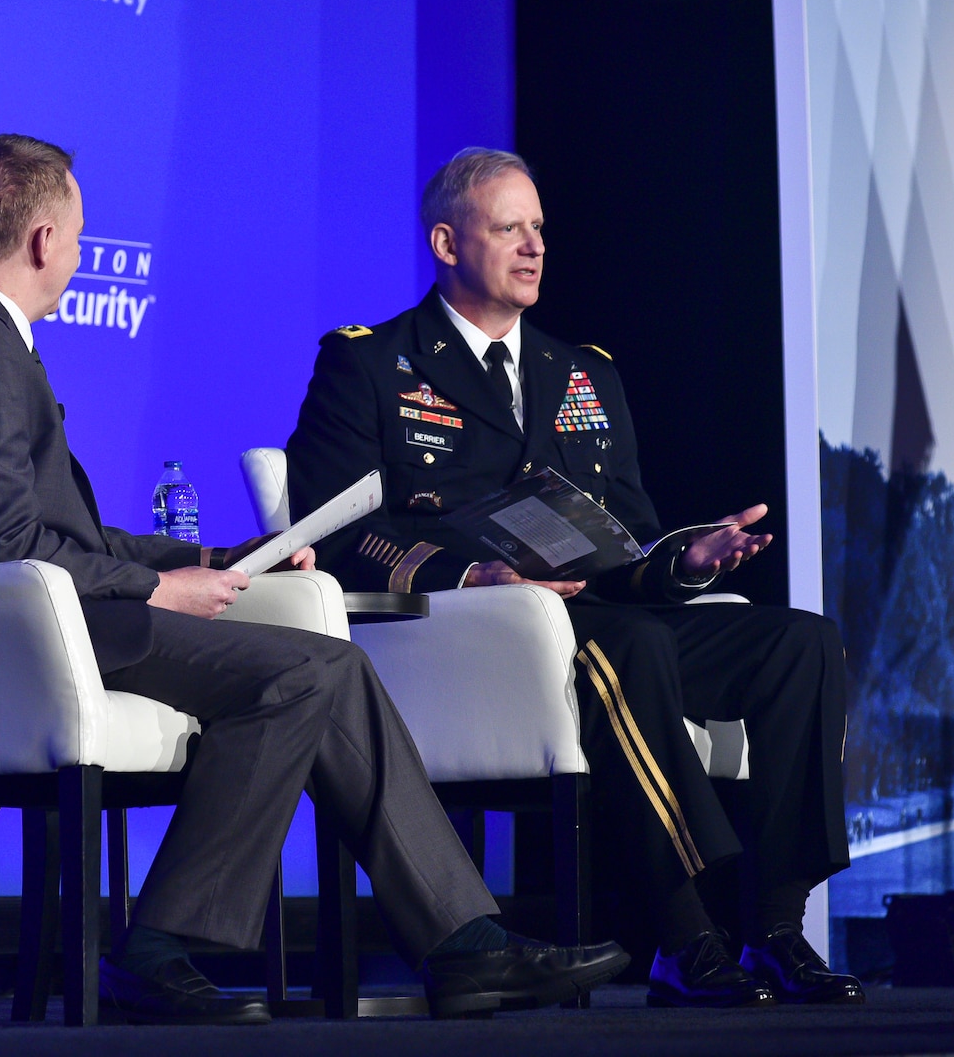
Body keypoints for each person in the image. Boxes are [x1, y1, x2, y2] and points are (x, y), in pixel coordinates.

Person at [0, 134, 629, 1025]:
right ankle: (171, 947)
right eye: (74, 233)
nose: (77, 252)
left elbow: (60, 532)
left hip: (54, 615)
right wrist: (154, 590)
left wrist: (209, 560)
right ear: (38, 239)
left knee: (323, 667)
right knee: (308, 671)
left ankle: (462, 950)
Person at [286, 148, 862, 1008]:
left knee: (801, 643)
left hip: (598, 615)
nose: (533, 246)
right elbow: (333, 535)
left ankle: (779, 926)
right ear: (446, 242)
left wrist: (687, 558)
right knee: (627, 649)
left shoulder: (585, 372)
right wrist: (470, 572)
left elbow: (627, 543)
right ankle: (685, 933)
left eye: (540, 228)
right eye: (508, 227)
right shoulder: (369, 364)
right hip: (470, 638)